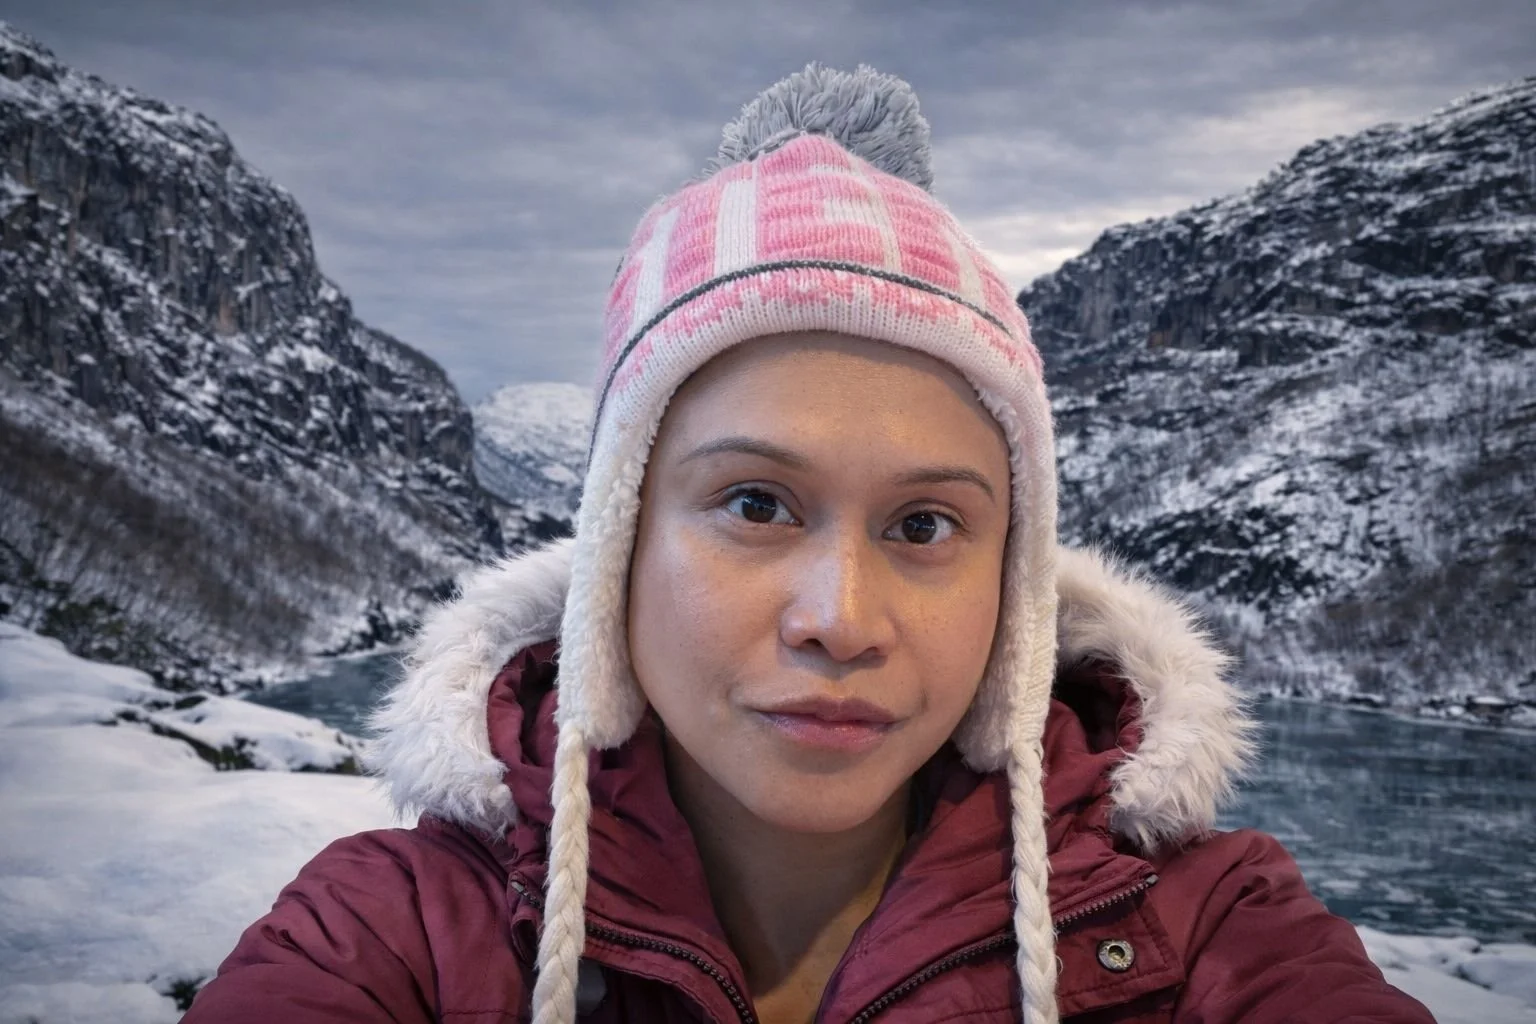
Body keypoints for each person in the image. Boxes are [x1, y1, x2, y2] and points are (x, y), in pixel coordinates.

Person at [185, 65, 1435, 1024]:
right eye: (755, 504)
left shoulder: (1206, 930)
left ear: (1013, 583)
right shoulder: (395, 934)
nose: (840, 618)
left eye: (925, 524)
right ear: (618, 546)